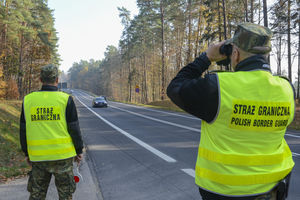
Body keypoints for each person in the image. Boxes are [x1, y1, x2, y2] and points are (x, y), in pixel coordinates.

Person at [167, 22, 295, 200]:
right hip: (272, 189)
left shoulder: (218, 87)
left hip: (224, 192)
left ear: (235, 54)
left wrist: (206, 58)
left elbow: (175, 87)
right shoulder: (287, 89)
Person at [19, 64, 84, 200]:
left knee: (37, 195)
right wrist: (78, 151)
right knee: (65, 195)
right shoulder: (66, 100)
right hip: (63, 158)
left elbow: (23, 130)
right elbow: (74, 129)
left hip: (38, 158)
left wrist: (27, 153)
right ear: (57, 80)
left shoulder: (28, 100)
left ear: (40, 79)